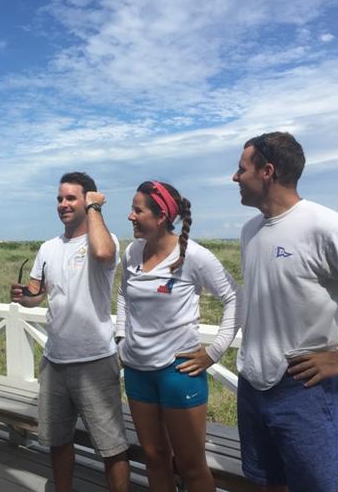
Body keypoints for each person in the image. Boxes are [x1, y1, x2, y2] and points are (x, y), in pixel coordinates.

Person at [232, 132, 338, 492]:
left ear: (267, 172)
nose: (235, 178)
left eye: (241, 168)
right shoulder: (250, 231)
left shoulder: (325, 226)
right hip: (252, 382)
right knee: (267, 482)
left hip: (302, 385)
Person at [10, 172, 130, 492]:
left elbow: (104, 255)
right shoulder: (48, 248)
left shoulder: (105, 239)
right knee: (58, 442)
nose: (63, 204)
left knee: (111, 447)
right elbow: (38, 295)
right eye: (60, 199)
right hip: (55, 360)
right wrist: (25, 296)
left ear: (88, 200)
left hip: (95, 359)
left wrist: (96, 209)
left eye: (71, 198)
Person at [116, 181, 239, 492]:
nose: (130, 216)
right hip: (137, 372)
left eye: (137, 210)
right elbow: (123, 295)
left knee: (190, 465)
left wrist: (214, 352)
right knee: (154, 458)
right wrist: (121, 337)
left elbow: (235, 298)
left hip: (178, 373)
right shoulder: (132, 252)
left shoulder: (194, 256)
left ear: (160, 217)